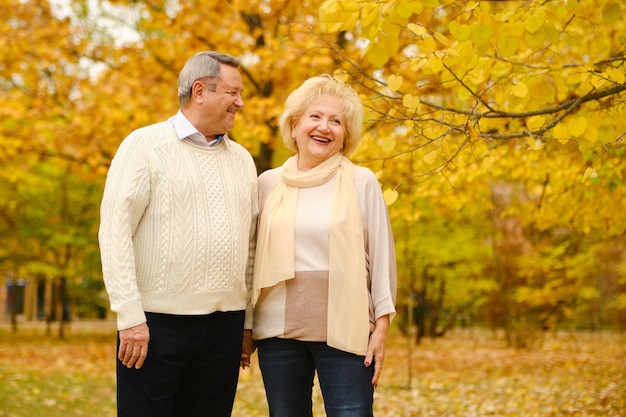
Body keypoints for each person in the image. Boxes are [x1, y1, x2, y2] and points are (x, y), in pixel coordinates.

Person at [98, 51, 258, 417]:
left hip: (225, 327)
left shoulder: (243, 161)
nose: (241, 103)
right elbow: (114, 232)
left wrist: (246, 324)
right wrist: (130, 316)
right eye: (233, 93)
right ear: (200, 90)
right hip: (154, 325)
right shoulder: (144, 146)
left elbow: (249, 248)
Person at [252, 74, 397, 417]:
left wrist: (382, 329)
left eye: (336, 121)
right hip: (278, 333)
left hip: (346, 331)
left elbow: (382, 260)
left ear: (346, 135)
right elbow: (249, 261)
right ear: (295, 124)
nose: (324, 127)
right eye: (315, 116)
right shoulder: (268, 184)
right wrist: (246, 327)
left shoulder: (361, 182)